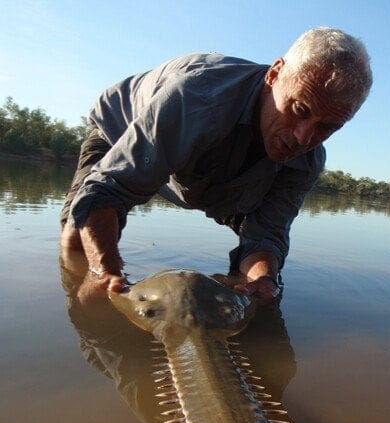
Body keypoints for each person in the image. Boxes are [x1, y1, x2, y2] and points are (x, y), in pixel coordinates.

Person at [60, 27, 372, 303]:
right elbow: (106, 192)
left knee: (258, 285)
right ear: (275, 74)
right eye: (301, 109)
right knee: (78, 241)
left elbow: (265, 236)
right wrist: (106, 276)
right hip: (123, 131)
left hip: (213, 175)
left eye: (327, 127)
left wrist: (264, 283)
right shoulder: (197, 99)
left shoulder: (306, 161)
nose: (303, 137)